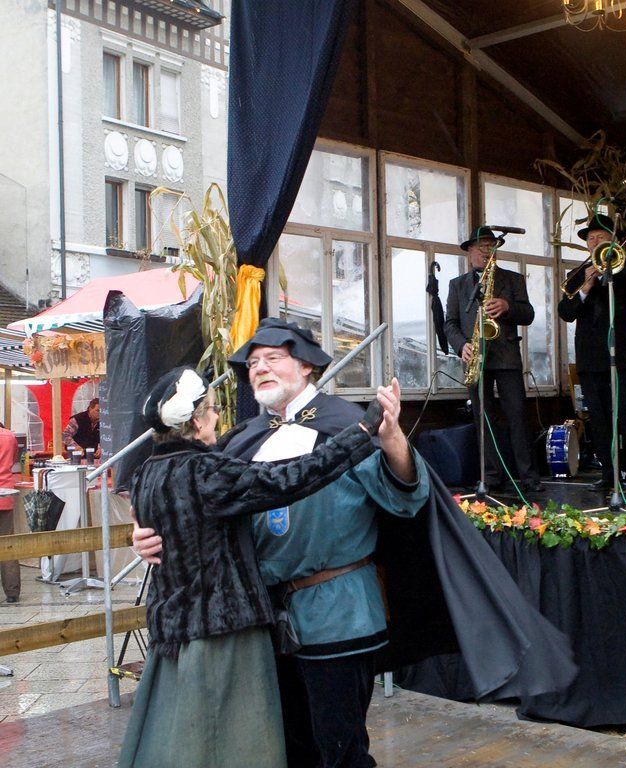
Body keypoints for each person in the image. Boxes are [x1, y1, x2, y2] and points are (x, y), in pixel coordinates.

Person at [135, 319, 430, 768]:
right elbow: (189, 503)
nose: (260, 368)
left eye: (273, 358)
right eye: (253, 363)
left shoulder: (349, 425)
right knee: (283, 752)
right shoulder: (238, 440)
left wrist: (394, 444)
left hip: (335, 613)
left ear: (307, 365)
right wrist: (146, 535)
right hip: (261, 624)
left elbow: (405, 499)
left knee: (341, 753)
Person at [444, 226, 543, 494]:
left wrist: (508, 307)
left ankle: (529, 476)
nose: (486, 251)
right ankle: (490, 476)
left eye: (491, 246)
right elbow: (450, 323)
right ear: (469, 252)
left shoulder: (513, 279)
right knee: (483, 418)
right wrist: (461, 345)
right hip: (475, 356)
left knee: (517, 416)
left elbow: (528, 314)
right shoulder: (457, 285)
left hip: (506, 355)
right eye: (481, 247)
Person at [558, 213, 626, 492]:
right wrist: (585, 288)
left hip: (623, 357)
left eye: (600, 237)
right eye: (591, 238)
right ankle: (608, 473)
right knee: (598, 419)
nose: (594, 242)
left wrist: (621, 269)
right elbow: (565, 312)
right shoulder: (577, 274)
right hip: (590, 359)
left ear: (613, 241)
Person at [0, 421, 21, 603]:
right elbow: (14, 460)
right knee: (8, 543)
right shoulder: (9, 436)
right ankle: (12, 591)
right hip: (5, 493)